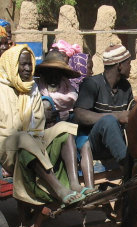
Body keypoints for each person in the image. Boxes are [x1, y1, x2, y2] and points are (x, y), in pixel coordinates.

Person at [0, 45, 83, 206]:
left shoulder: (31, 87)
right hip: (7, 148)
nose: (27, 68)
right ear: (12, 64)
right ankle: (59, 189)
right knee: (23, 137)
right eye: (23, 64)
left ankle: (74, 183)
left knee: (65, 128)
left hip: (35, 140)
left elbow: (39, 123)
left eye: (29, 64)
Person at [36, 50, 95, 195]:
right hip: (46, 136)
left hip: (73, 130)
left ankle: (90, 188)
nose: (54, 76)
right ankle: (74, 182)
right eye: (51, 72)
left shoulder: (71, 90)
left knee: (85, 143)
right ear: (44, 73)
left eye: (58, 72)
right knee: (66, 132)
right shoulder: (37, 90)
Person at [73, 44, 136, 174]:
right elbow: (79, 114)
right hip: (94, 144)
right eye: (129, 63)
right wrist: (117, 116)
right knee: (108, 121)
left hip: (117, 142)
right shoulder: (92, 84)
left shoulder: (125, 87)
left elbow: (131, 111)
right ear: (119, 66)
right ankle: (127, 167)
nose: (131, 67)